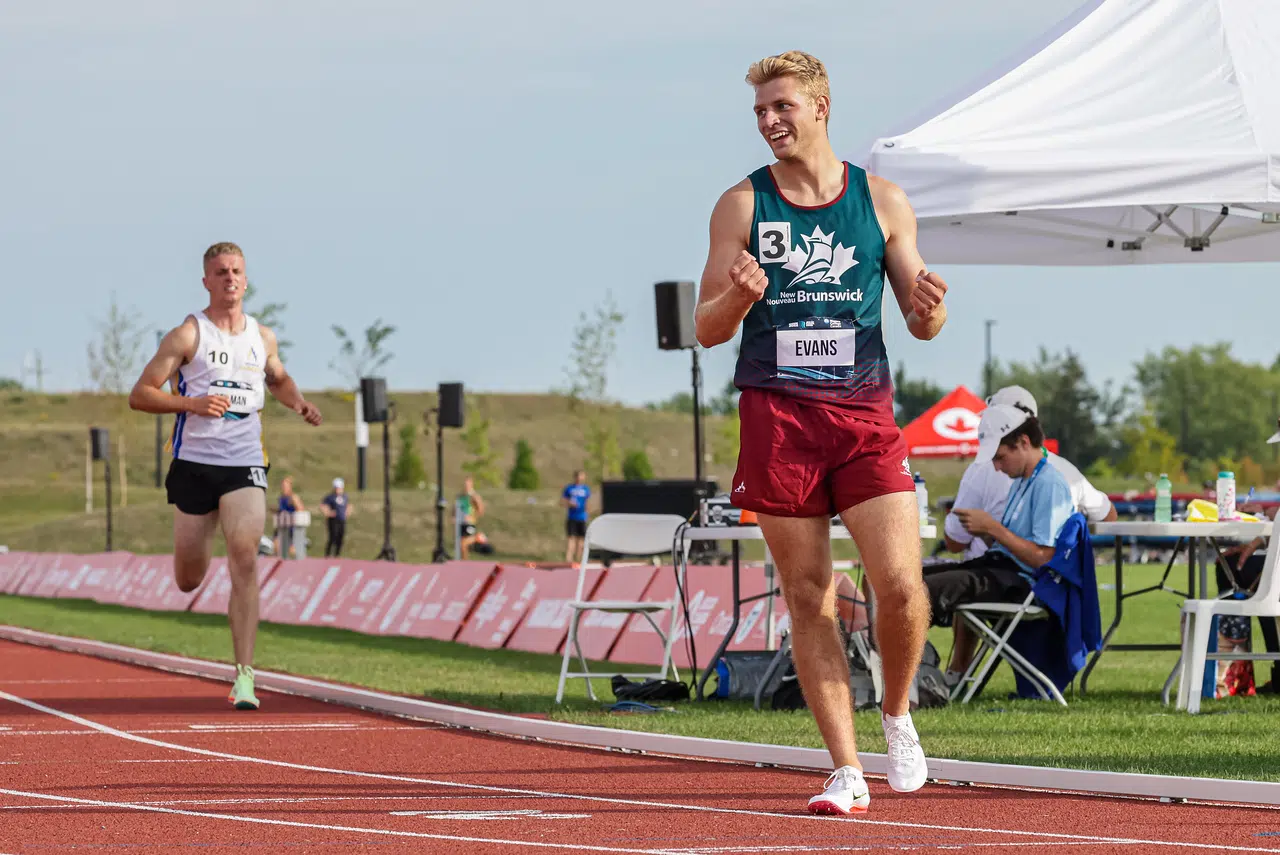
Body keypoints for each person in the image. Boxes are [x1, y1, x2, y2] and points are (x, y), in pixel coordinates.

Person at [694, 51, 948, 814]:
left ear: (821, 106)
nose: (771, 121)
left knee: (900, 587)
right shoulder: (741, 206)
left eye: (783, 107)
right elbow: (705, 328)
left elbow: (922, 320)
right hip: (778, 416)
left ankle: (896, 713)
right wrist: (737, 299)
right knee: (809, 595)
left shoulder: (882, 201)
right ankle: (845, 768)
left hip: (864, 415)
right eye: (761, 111)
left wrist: (932, 306)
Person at [127, 242, 322, 711]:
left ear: (246, 279)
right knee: (189, 579)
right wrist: (191, 403)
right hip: (194, 465)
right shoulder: (187, 336)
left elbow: (276, 378)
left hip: (244, 461)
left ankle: (245, 677)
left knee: (244, 556)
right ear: (206, 281)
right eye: (220, 272)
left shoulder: (263, 337)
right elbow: (141, 394)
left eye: (236, 271)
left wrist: (297, 402)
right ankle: (195, 558)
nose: (229, 278)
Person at [931, 405, 1076, 683]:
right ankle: (906, 674)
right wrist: (985, 531)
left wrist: (992, 528)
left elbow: (1045, 559)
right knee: (911, 581)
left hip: (1022, 584)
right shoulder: (1025, 479)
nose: (996, 467)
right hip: (1003, 571)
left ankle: (902, 679)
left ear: (1023, 443)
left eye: (1000, 458)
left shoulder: (1048, 484)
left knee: (920, 590)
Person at [944, 386, 1116, 560]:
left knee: (929, 582)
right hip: (1022, 575)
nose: (998, 466)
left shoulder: (990, 470)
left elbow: (954, 543)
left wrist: (989, 529)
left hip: (1003, 575)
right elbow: (1108, 516)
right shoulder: (1063, 470)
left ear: (1022, 439)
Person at [561, 470, 591, 564]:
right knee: (571, 538)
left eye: (582, 476)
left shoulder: (586, 489)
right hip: (572, 517)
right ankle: (569, 559)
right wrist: (569, 503)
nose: (580, 478)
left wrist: (588, 510)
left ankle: (579, 559)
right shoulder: (569, 488)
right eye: (578, 476)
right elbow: (562, 501)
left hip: (582, 517)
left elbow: (588, 502)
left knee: (581, 539)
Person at [320, 477, 353, 557]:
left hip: (341, 519)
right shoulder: (330, 497)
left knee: (340, 537)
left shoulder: (345, 496)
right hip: (333, 520)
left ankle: (337, 555)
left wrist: (348, 512)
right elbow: (322, 506)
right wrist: (328, 513)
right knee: (333, 537)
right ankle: (327, 555)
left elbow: (348, 505)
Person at [274, 475, 306, 558]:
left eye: (286, 486)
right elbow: (281, 510)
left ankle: (297, 563)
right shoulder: (281, 498)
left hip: (291, 527)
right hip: (282, 525)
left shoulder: (293, 497)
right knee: (276, 544)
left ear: (290, 487)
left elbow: (301, 509)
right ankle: (280, 562)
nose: (284, 488)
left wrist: (295, 505)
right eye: (283, 486)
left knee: (292, 550)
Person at [456, 477, 485, 559]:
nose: (466, 486)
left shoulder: (474, 496)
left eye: (468, 484)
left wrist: (473, 517)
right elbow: (455, 508)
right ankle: (464, 561)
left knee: (463, 543)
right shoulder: (460, 496)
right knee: (461, 546)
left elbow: (480, 509)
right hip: (461, 523)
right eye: (465, 484)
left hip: (469, 523)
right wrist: (454, 517)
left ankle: (477, 537)